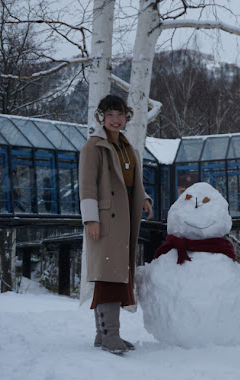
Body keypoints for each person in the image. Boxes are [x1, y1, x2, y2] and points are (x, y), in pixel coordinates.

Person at [79, 95, 153, 355]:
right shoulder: (94, 147)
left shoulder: (127, 146)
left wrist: (143, 198)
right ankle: (111, 335)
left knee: (116, 274)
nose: (115, 119)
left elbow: (130, 181)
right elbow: (87, 186)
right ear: (101, 117)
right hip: (106, 220)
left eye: (120, 114)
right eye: (110, 114)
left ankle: (104, 335)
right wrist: (91, 219)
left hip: (125, 218)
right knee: (109, 276)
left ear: (126, 117)